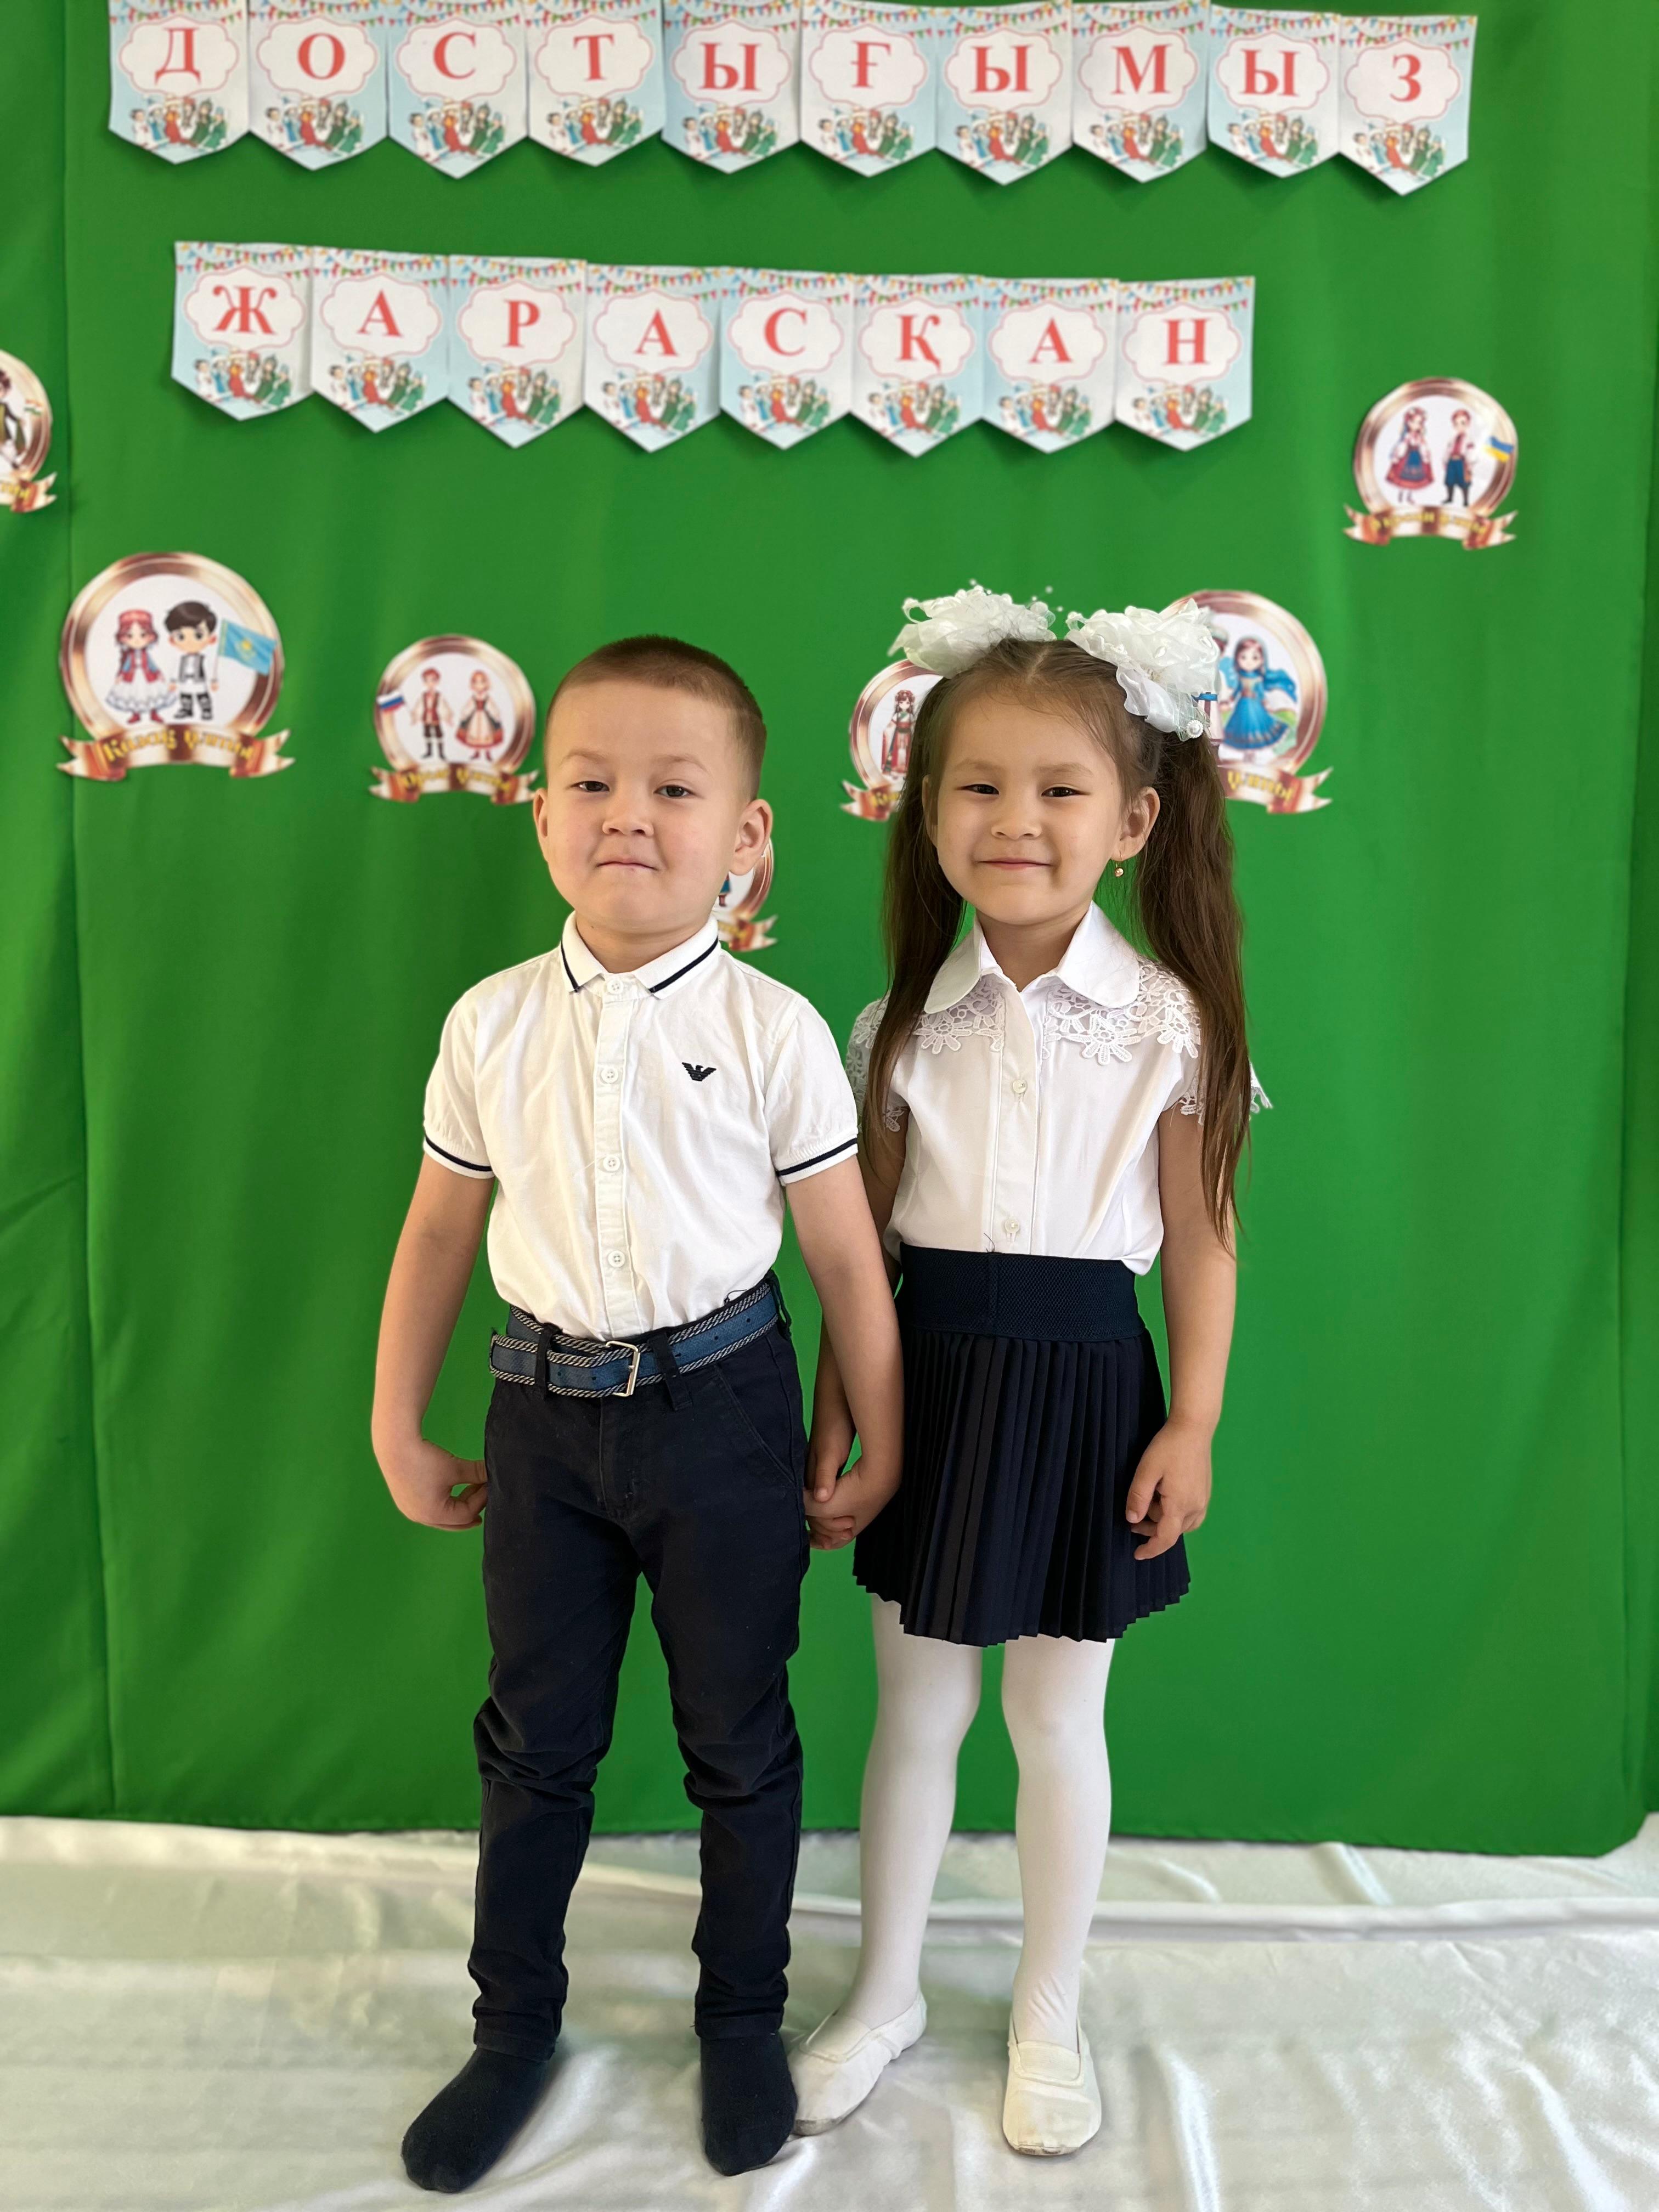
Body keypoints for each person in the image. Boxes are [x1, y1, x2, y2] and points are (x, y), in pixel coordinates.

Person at [374, 634, 904, 2192]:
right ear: (542, 813)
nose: (629, 814)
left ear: (746, 834)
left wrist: (882, 1431)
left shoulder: (775, 1031)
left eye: (675, 789)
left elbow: (845, 1258)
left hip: (724, 1416)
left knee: (736, 1736)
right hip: (539, 1420)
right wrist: (398, 1421)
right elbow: (438, 1231)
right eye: (592, 782)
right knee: (536, 1740)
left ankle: (740, 2020)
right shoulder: (489, 1025)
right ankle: (511, 2030)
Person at [792, 588, 1263, 2157]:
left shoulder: (1170, 1025)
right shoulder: (896, 1027)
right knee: (917, 1710)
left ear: (1131, 821)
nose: (1016, 820)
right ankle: (886, 1993)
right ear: (926, 812)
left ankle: (1049, 2011)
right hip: (925, 1380)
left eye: (1060, 788)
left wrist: (1193, 1417)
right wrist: (839, 1415)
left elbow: (1201, 1241)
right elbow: (855, 1256)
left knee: (1060, 1719)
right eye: (979, 786)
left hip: (1086, 1392)